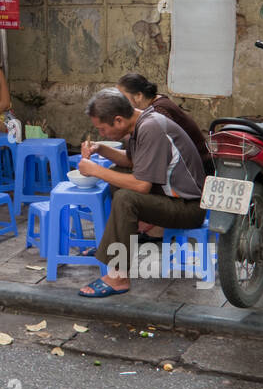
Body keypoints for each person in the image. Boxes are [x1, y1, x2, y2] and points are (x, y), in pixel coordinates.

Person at [73, 88, 206, 298]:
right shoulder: (143, 121)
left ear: (118, 120)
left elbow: (141, 185)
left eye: (102, 129)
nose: (101, 133)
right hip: (169, 198)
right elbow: (132, 162)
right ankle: (117, 246)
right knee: (118, 174)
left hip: (190, 207)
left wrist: (96, 170)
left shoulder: (151, 127)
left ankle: (118, 277)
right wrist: (101, 148)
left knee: (126, 197)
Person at [117, 72, 213, 174]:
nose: (119, 104)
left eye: (123, 98)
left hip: (196, 169)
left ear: (138, 96)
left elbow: (156, 154)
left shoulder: (158, 111)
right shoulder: (156, 104)